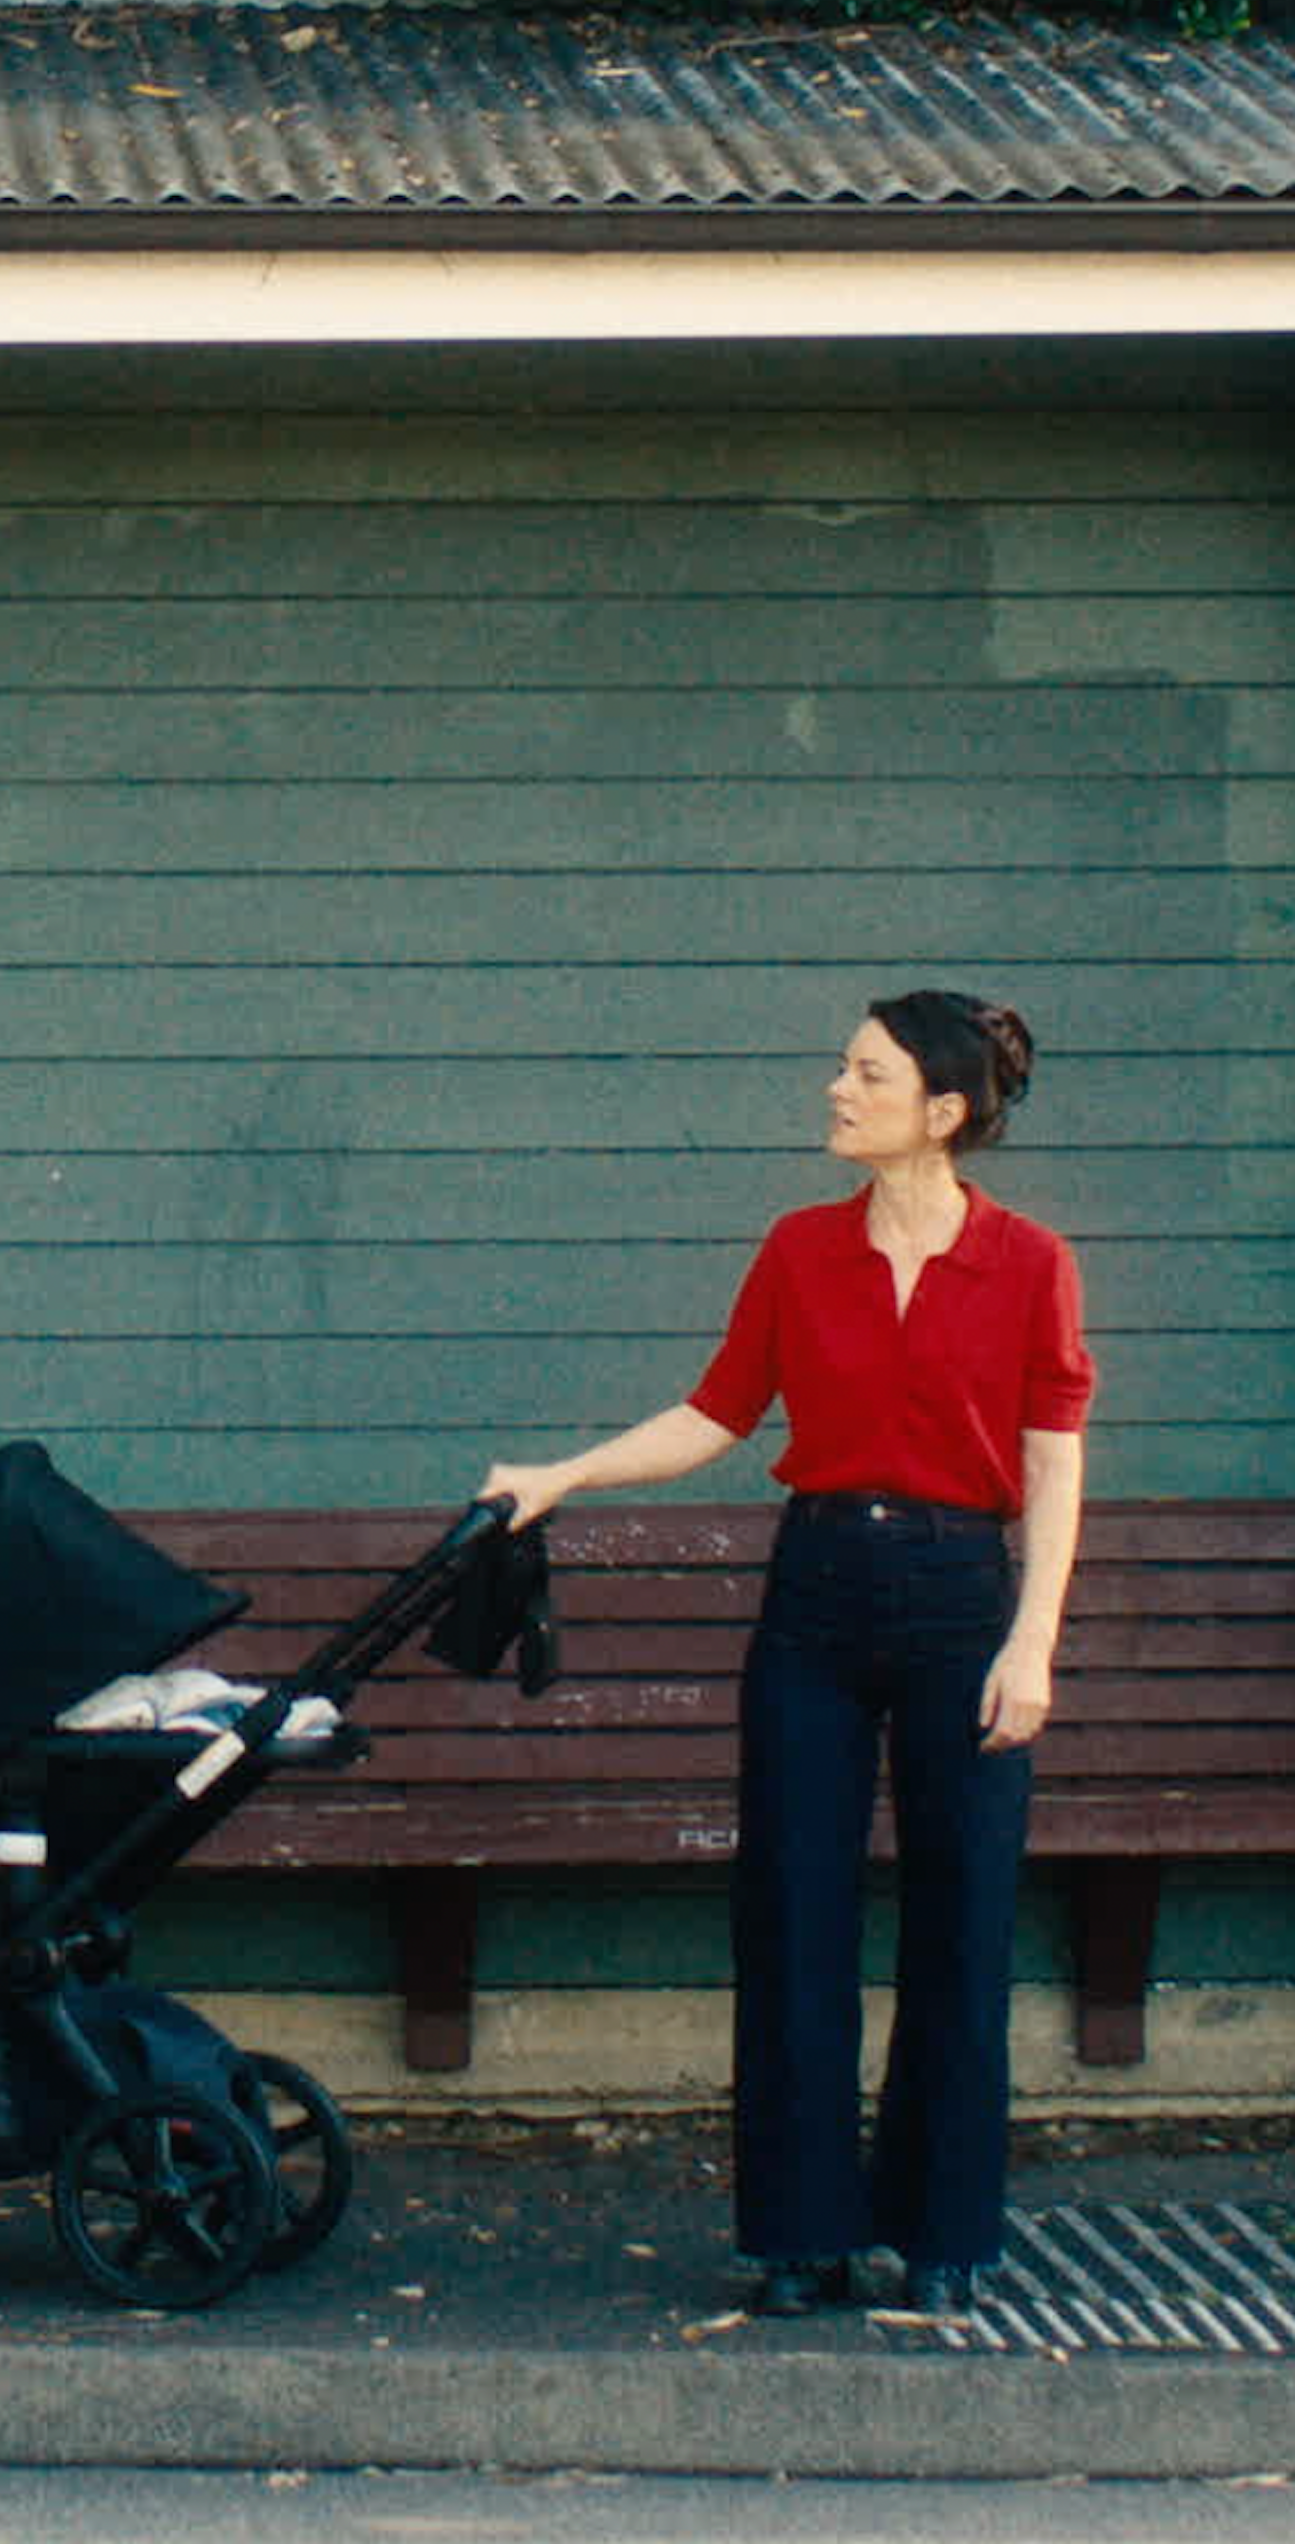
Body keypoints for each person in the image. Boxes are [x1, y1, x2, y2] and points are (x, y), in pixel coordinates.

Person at [480, 990, 1093, 2322]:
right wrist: (564, 1476)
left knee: (961, 1925)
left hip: (958, 1602)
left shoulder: (1033, 1263)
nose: (834, 1089)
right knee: (795, 1918)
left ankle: (945, 2234)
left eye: (864, 1073)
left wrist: (1031, 1641)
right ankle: (801, 2236)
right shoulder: (801, 1249)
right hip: (816, 1594)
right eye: (842, 1068)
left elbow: (1053, 1463)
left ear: (942, 1110)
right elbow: (716, 1413)